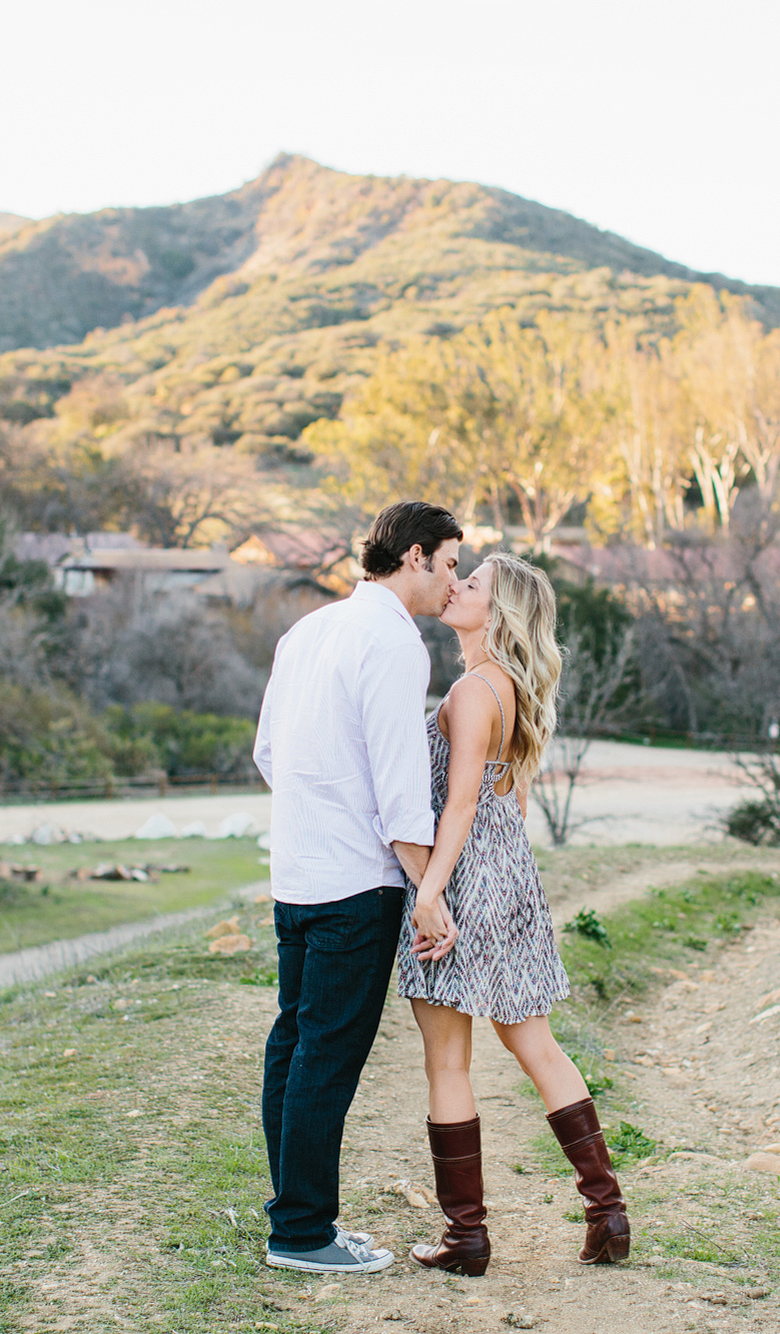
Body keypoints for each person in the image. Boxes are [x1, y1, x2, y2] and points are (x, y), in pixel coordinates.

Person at [397, 553, 632, 1277]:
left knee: (448, 1060)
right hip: (509, 876)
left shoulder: (473, 692)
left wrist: (432, 892)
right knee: (539, 1047)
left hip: (462, 877)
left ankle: (466, 1236)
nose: (456, 586)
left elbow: (460, 802)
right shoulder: (514, 690)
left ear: (498, 615)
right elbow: (511, 798)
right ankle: (607, 1212)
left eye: (473, 585)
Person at [253, 500, 463, 1275]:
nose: (452, 582)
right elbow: (401, 787)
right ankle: (303, 1233)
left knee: (294, 1046)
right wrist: (427, 891)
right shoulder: (393, 641)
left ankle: (295, 1218)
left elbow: (271, 752)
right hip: (355, 886)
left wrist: (322, 811)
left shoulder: (306, 631)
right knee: (325, 1057)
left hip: (297, 876)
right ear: (413, 556)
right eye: (447, 565)